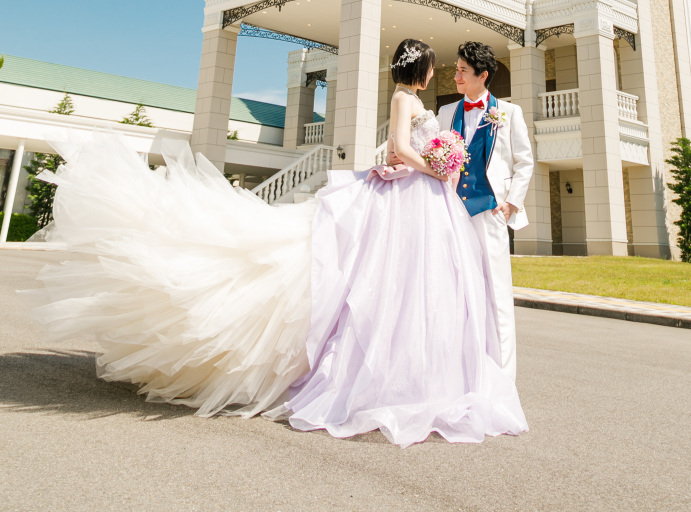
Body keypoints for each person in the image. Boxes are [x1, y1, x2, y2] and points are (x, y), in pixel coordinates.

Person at [24, 38, 527, 448]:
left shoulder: (466, 109)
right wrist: (434, 167)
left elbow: (473, 155)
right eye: (442, 67)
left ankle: (446, 373)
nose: (448, 74)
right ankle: (387, 375)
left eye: (459, 69)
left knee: (432, 291)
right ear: (421, 69)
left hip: (449, 205)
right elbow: (400, 145)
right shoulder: (414, 102)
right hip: (418, 194)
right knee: (382, 282)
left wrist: (451, 177)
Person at [437, 41, 534, 380]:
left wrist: (511, 203)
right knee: (453, 289)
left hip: (490, 212)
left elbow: (525, 162)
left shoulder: (509, 112)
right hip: (452, 212)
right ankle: (459, 371)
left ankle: (502, 378)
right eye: (457, 69)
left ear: (483, 75)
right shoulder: (446, 113)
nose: (456, 75)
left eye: (463, 70)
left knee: (496, 293)